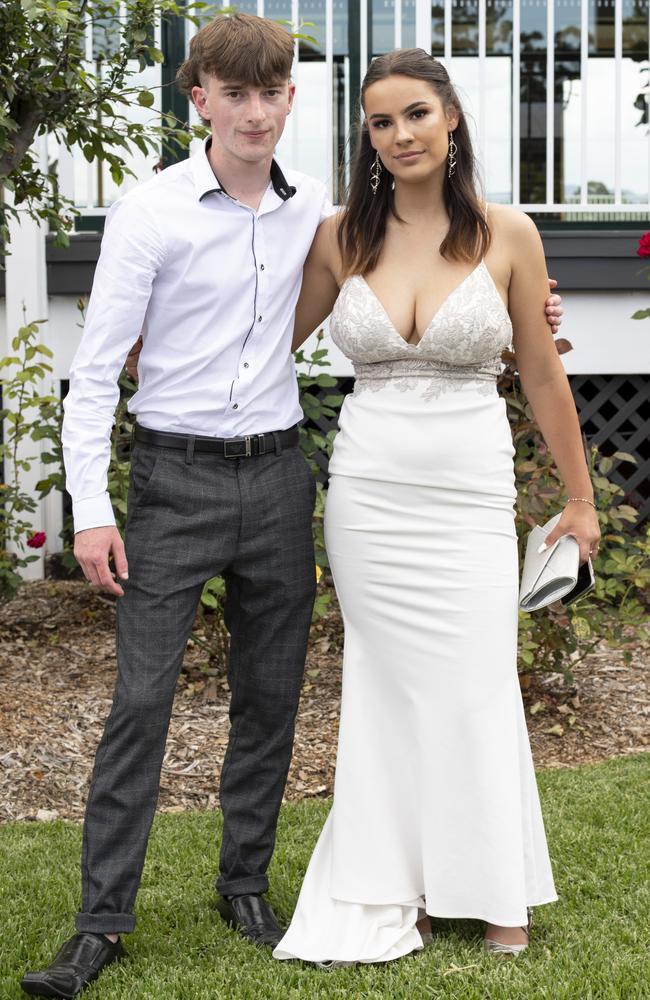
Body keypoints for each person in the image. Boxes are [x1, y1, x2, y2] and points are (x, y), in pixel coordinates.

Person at [20, 19, 564, 997]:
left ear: (291, 103)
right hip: (172, 480)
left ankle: (245, 887)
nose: (253, 111)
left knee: (269, 700)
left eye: (270, 93)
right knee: (141, 701)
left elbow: (385, 291)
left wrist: (526, 306)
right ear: (200, 100)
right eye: (234, 93)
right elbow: (97, 370)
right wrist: (91, 510)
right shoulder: (150, 212)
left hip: (279, 476)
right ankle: (99, 924)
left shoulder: (316, 213)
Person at [273, 48, 599, 967]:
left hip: (465, 486)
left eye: (415, 113)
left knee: (475, 680)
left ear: (450, 118)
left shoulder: (510, 235)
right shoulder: (340, 236)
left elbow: (540, 372)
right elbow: (265, 339)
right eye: (381, 122)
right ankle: (395, 887)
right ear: (367, 139)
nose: (401, 134)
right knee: (384, 687)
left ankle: (497, 890)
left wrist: (579, 500)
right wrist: (158, 340)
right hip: (370, 491)